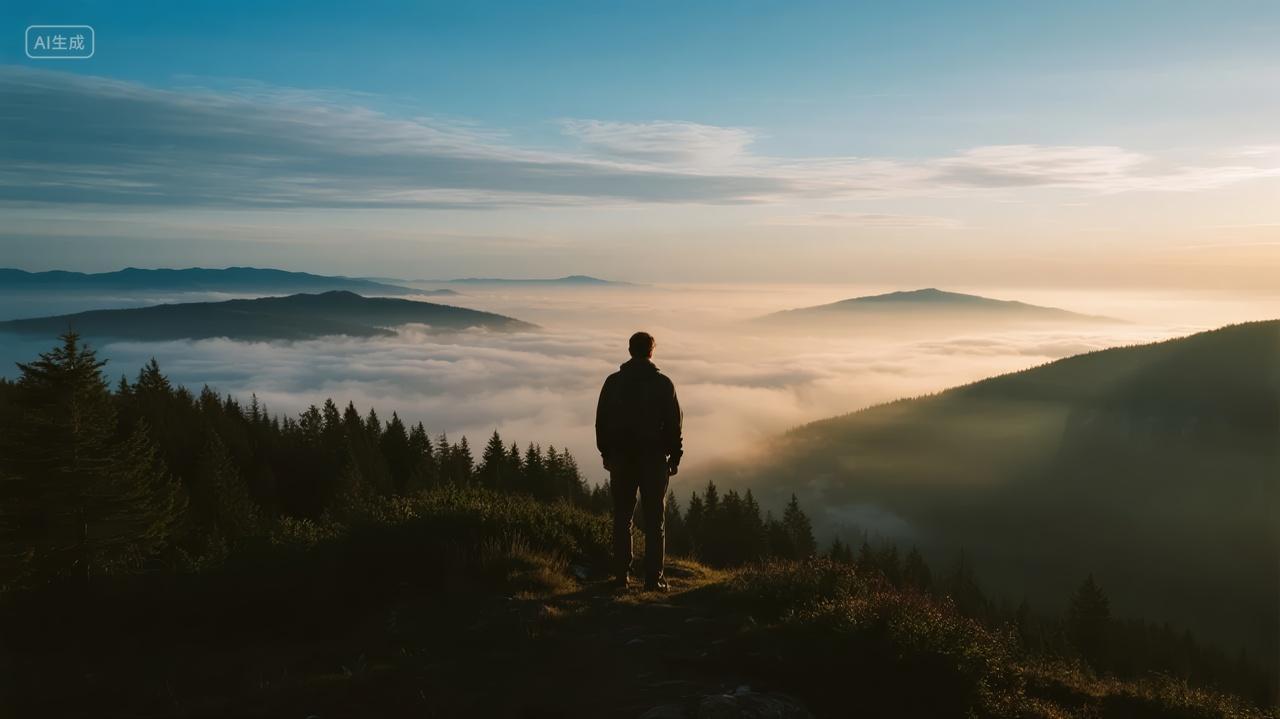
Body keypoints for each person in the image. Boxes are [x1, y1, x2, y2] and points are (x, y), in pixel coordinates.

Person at [595, 331, 683, 591]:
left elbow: (601, 421)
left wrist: (606, 453)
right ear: (652, 351)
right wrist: (675, 456)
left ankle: (621, 577)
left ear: (629, 350)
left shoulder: (613, 382)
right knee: (655, 521)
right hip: (653, 459)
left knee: (622, 518)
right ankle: (653, 579)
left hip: (621, 458)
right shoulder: (663, 384)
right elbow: (674, 424)